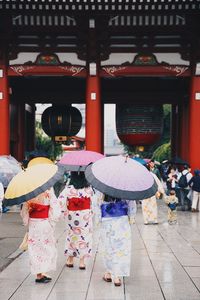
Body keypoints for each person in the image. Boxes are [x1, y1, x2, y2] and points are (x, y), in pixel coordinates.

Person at [21, 188, 61, 283]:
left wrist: (26, 219)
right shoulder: (48, 191)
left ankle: (40, 273)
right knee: (46, 247)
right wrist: (52, 221)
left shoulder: (29, 192)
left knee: (35, 248)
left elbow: (24, 212)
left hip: (33, 224)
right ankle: (41, 273)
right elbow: (55, 209)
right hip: (44, 223)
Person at [58, 171, 94, 270]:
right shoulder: (88, 189)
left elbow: (60, 201)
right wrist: (92, 213)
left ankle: (70, 260)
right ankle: (82, 262)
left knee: (71, 236)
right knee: (84, 237)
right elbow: (93, 203)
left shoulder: (69, 188)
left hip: (72, 216)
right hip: (85, 215)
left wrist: (64, 213)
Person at [100, 195, 136, 287]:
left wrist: (98, 219)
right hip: (122, 220)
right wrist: (131, 217)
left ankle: (108, 273)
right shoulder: (124, 189)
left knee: (108, 247)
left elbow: (96, 205)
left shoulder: (103, 187)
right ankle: (117, 277)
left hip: (106, 219)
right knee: (121, 248)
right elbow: (132, 205)